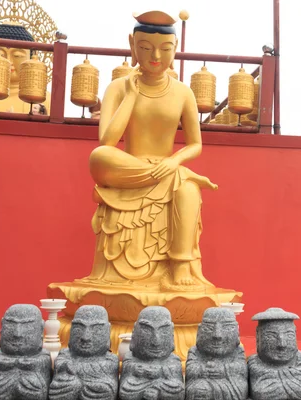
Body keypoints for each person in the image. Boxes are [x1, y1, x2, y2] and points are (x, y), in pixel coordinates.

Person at [84, 10, 218, 288]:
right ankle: (181, 176)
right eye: (145, 48)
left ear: (175, 49)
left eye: (164, 49)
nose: (155, 57)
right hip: (129, 168)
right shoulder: (118, 88)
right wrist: (131, 97)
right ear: (132, 46)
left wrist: (174, 162)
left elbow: (195, 144)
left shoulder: (183, 92)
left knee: (188, 191)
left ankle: (181, 268)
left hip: (165, 167)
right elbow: (106, 142)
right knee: (99, 158)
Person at [248, 307, 301, 400]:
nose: (282, 344)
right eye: (271, 336)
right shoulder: (254, 363)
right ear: (258, 337)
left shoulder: (299, 359)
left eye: (289, 335)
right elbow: (260, 391)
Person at [0, 23, 51, 114]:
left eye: (17, 56)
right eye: (0, 55)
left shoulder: (42, 99)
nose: (8, 61)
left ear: (31, 58)